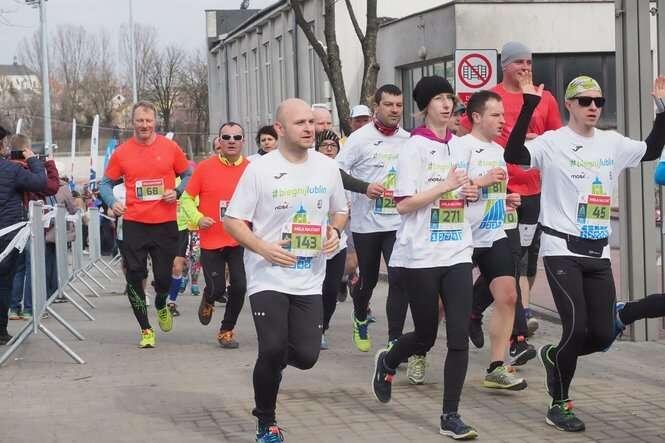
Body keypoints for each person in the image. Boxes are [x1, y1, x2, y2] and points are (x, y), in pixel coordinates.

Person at [504, 74, 665, 432]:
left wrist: (662, 112)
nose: (593, 107)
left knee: (604, 335)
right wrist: (529, 106)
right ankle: (559, 403)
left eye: (599, 102)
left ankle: (553, 355)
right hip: (561, 249)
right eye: (585, 101)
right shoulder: (552, 142)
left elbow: (652, 150)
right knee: (575, 330)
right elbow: (513, 155)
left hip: (598, 251)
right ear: (569, 104)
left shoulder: (611, 142)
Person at [224, 98, 347, 443]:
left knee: (307, 357)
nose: (309, 129)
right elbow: (232, 220)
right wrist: (263, 248)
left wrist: (334, 231)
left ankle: (271, 367)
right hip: (267, 274)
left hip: (309, 277)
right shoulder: (259, 169)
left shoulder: (327, 167)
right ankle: (266, 422)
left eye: (312, 122)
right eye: (300, 123)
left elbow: (340, 211)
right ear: (279, 129)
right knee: (272, 347)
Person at [370, 76, 478, 440]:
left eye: (450, 98)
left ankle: (450, 415)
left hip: (458, 250)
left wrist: (471, 192)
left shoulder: (461, 146)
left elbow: (465, 192)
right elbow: (403, 205)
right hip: (421, 255)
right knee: (426, 336)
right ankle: (388, 360)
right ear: (424, 106)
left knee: (458, 336)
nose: (447, 105)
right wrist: (444, 186)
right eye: (439, 99)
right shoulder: (413, 148)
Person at [467, 41, 563, 362]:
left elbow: (557, 140)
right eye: (519, 62)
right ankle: (516, 337)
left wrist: (535, 141)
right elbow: (472, 135)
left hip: (531, 192)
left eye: (529, 62)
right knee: (510, 261)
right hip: (500, 193)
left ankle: (474, 310)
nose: (525, 68)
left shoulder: (545, 98)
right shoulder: (493, 97)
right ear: (504, 66)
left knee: (520, 261)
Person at [99, 100, 192, 348]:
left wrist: (177, 191)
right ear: (132, 123)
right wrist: (112, 202)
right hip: (134, 224)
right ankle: (146, 329)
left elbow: (188, 174)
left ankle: (161, 302)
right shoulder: (122, 152)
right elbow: (105, 184)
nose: (144, 125)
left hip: (165, 224)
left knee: (163, 279)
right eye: (140, 120)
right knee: (134, 276)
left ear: (155, 122)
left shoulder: (170, 147)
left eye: (148, 120)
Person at [461, 90, 527, 391]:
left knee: (508, 295)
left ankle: (497, 366)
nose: (503, 120)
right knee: (444, 304)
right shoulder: (459, 147)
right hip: (461, 235)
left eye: (503, 115)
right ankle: (419, 348)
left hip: (493, 233)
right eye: (496, 115)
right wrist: (481, 182)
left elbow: (492, 191)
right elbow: (448, 190)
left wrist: (506, 198)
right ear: (477, 117)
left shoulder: (498, 150)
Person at [337, 84, 410, 353]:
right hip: (366, 223)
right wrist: (364, 187)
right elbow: (337, 172)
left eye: (399, 105)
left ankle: (394, 341)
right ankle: (360, 315)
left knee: (399, 278)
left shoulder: (408, 139)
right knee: (367, 279)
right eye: (388, 104)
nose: (395, 110)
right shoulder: (359, 138)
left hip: (396, 222)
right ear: (376, 107)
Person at [181, 121, 249, 349]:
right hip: (211, 240)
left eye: (236, 137)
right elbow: (186, 199)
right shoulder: (205, 168)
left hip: (239, 239)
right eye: (226, 137)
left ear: (243, 141)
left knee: (239, 286)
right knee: (218, 288)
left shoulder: (251, 169)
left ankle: (226, 330)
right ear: (219, 141)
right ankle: (209, 297)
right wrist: (198, 218)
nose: (231, 141)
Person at [0, 134, 46, 345]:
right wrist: (33, 160)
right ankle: (1, 331)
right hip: (8, 234)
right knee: (4, 282)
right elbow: (39, 182)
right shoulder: (11, 169)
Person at [314, 129, 349, 350]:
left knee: (329, 290)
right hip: (309, 242)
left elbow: (351, 195)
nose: (329, 149)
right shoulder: (308, 170)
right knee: (312, 290)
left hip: (336, 241)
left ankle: (321, 328)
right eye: (324, 145)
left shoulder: (341, 172)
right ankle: (308, 328)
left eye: (333, 146)